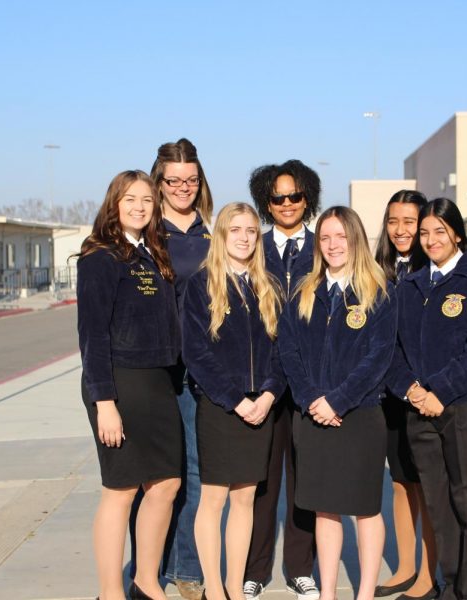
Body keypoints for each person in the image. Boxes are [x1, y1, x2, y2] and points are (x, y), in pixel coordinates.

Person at [387, 199, 467, 600]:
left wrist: (440, 391)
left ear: (457, 233)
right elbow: (395, 350)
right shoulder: (411, 286)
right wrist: (412, 390)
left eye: (440, 231)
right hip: (420, 413)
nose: (431, 239)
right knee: (440, 509)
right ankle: (452, 588)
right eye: (424, 233)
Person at [278, 206, 398, 600]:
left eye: (341, 237)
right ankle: (327, 591)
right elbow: (289, 351)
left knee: (365, 508)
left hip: (359, 416)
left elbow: (378, 357)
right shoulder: (305, 292)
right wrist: (313, 399)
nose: (332, 245)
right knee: (324, 508)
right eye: (325, 238)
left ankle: (363, 592)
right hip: (312, 416)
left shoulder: (377, 290)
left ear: (356, 240)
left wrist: (339, 401)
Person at [77, 170, 182, 600]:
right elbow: (92, 334)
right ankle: (110, 592)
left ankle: (146, 580)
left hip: (157, 384)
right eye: (130, 199)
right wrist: (105, 401)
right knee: (120, 490)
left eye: (146, 200)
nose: (139, 207)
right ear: (114, 204)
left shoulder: (154, 254)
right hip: (119, 384)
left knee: (166, 483)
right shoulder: (100, 258)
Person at [181, 202, 286, 600]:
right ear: (221, 235)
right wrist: (236, 400)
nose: (244, 238)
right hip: (223, 409)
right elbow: (197, 354)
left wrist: (271, 393)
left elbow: (281, 350)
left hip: (262, 408)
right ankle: (213, 587)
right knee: (213, 499)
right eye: (235, 230)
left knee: (245, 500)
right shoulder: (202, 284)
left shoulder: (268, 286)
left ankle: (234, 587)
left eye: (251, 231)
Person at [129, 138, 214, 600]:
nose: (183, 187)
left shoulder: (211, 236)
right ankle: (146, 572)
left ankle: (186, 569)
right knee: (152, 477)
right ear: (159, 183)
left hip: (196, 374)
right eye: (174, 180)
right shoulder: (145, 234)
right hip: (151, 373)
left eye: (191, 180)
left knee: (196, 473)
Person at [244, 160, 321, 600]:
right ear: (266, 202)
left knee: (304, 479)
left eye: (295, 196)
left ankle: (299, 567)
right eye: (278, 197)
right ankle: (255, 568)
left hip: (309, 383)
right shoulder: (253, 247)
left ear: (307, 198)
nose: (287, 203)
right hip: (264, 383)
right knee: (263, 481)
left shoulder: (322, 245)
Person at [372, 191, 438, 600]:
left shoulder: (431, 270)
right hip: (389, 394)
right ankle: (406, 566)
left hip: (421, 392)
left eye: (409, 221)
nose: (401, 230)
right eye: (393, 221)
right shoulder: (380, 269)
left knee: (426, 483)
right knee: (399, 482)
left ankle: (431, 574)